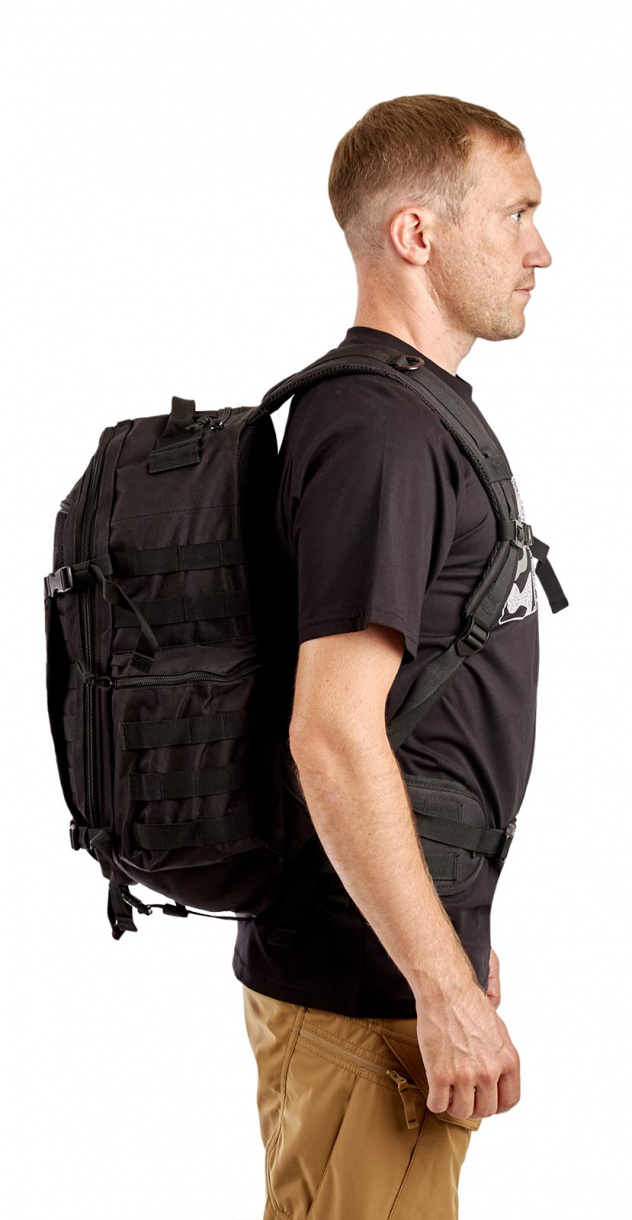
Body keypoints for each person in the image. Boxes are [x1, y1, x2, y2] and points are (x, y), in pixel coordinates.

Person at [233, 93, 553, 1220]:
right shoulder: (381, 432)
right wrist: (436, 981)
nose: (540, 250)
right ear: (416, 233)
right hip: (364, 989)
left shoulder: (409, 415)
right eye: (514, 213)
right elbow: (330, 731)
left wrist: (454, 946)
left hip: (380, 963)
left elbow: (428, 710)